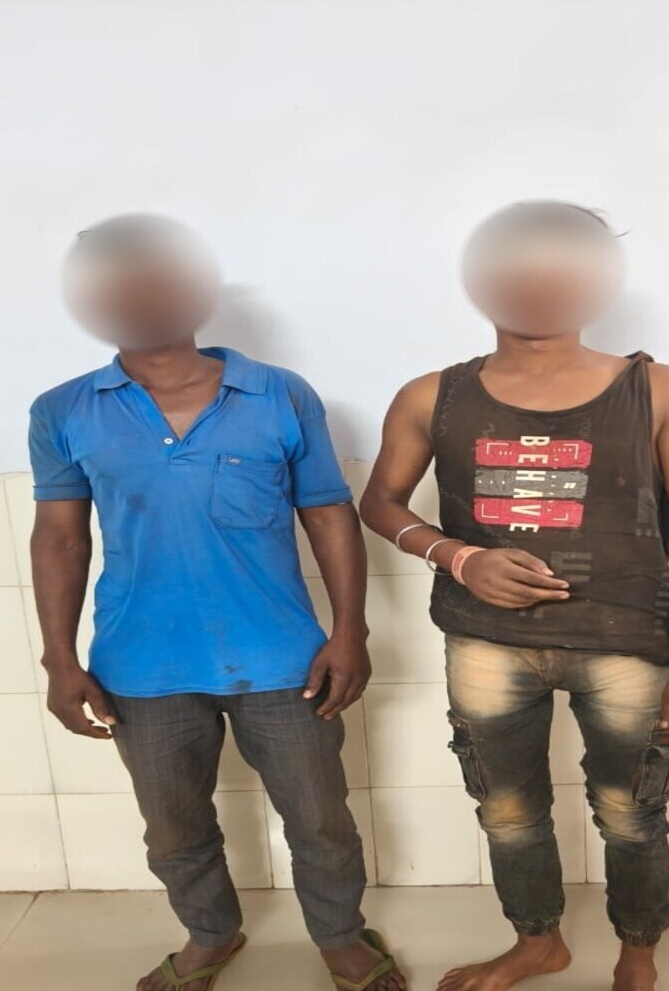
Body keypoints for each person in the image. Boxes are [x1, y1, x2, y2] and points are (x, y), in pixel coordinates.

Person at [358, 201, 669, 991]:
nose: (538, 287)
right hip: (486, 641)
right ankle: (538, 943)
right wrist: (459, 557)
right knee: (506, 810)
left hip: (627, 641)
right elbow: (380, 503)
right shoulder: (432, 396)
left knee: (631, 813)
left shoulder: (660, 389)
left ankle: (638, 956)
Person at [29, 214, 405, 991]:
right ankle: (210, 933)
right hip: (140, 663)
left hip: (283, 658)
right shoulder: (64, 410)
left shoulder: (280, 394)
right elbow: (60, 539)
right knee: (173, 828)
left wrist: (350, 632)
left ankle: (339, 936)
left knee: (320, 818)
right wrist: (59, 659)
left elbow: (328, 514)